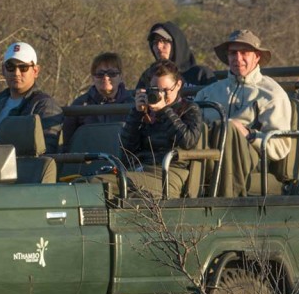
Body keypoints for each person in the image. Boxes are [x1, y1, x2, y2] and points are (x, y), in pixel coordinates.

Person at [195, 29, 291, 196]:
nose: (238, 58)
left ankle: (227, 202)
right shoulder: (208, 93)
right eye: (233, 53)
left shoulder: (272, 94)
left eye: (245, 52)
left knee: (230, 129)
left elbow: (280, 147)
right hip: (208, 158)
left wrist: (248, 134)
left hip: (253, 161)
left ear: (257, 56)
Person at [117, 60, 202, 197]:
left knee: (102, 184)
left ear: (178, 85)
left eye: (166, 90)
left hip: (170, 171)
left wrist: (164, 111)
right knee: (90, 183)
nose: (160, 95)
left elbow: (188, 141)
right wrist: (137, 114)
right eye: (155, 90)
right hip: (141, 169)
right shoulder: (145, 111)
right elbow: (125, 150)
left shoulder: (189, 109)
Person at [0, 42, 63, 152]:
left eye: (23, 67)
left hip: (24, 167)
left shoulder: (45, 106)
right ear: (3, 70)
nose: (16, 73)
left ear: (35, 71)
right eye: (10, 67)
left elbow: (47, 153)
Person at [61, 51, 134, 147]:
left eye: (112, 73)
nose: (105, 77)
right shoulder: (80, 105)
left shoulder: (132, 104)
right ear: (93, 77)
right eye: (100, 74)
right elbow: (66, 142)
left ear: (120, 77)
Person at [137, 22, 215, 90]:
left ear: (176, 43)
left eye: (164, 41)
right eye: (155, 42)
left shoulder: (201, 75)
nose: (159, 46)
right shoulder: (147, 76)